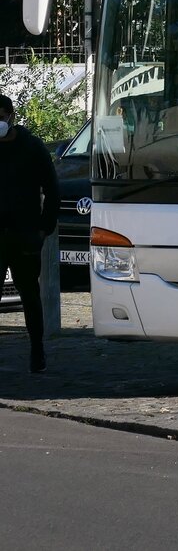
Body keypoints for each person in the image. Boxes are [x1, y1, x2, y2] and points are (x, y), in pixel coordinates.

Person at [0, 94, 60, 373]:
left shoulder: (32, 147)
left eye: (0, 116)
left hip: (25, 234)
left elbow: (53, 190)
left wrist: (43, 228)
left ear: (10, 116)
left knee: (29, 296)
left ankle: (37, 349)